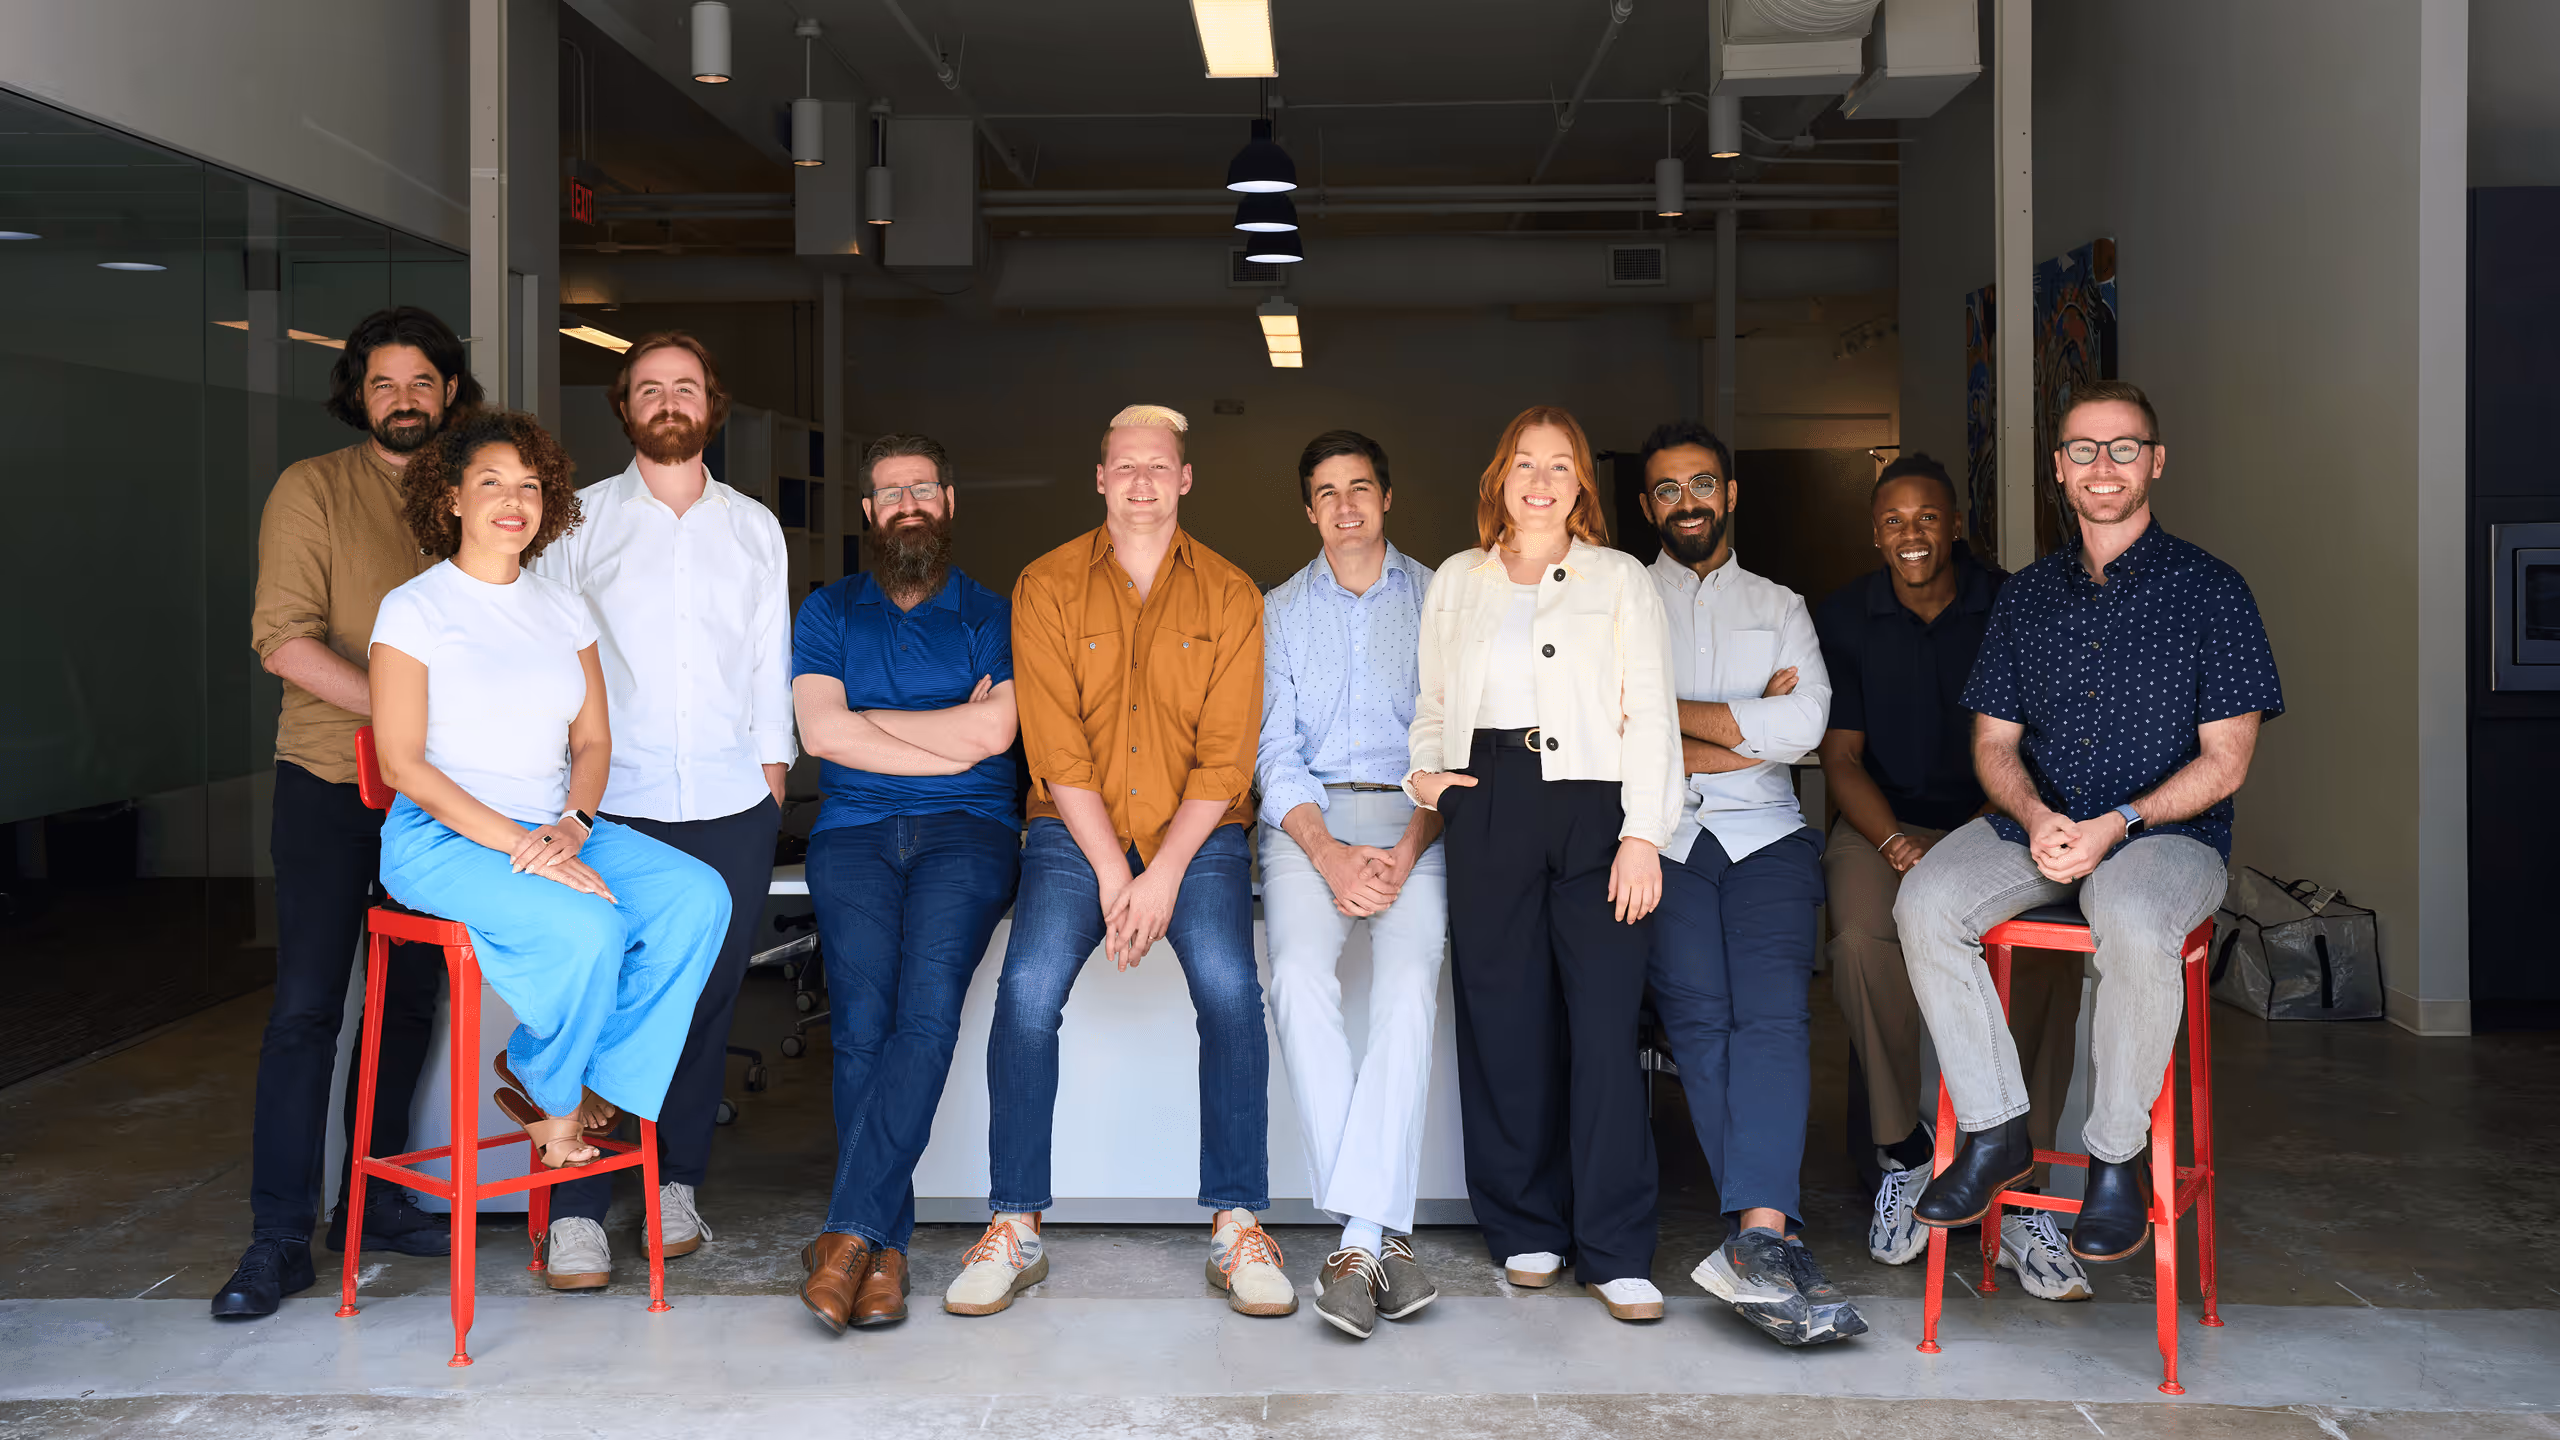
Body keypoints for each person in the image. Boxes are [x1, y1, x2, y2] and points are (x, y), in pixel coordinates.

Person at [1898, 380, 2282, 1263]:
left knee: (2134, 920)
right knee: (1925, 902)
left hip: (2167, 838)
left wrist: (2117, 822)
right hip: (2039, 828)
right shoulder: (2027, 595)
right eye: (2082, 450)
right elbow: (1993, 742)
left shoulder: (2213, 591)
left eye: (2121, 448)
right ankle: (1998, 1132)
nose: (2101, 466)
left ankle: (2115, 1155)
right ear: (2060, 473)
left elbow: (2227, 760)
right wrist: (2035, 814)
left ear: (2155, 461)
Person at [947, 404, 1286, 1319]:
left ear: (1185, 480)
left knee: (1227, 990)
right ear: (1099, 480)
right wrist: (1111, 872)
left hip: (1198, 832)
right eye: (1123, 467)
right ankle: (1014, 1224)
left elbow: (1226, 757)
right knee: (1025, 995)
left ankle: (1238, 1222)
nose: (1141, 482)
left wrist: (1163, 872)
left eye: (1158, 467)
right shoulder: (1047, 584)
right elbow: (1057, 751)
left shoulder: (1231, 593)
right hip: (1073, 829)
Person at [367, 408, 729, 1193]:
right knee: (590, 923)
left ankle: (587, 1077)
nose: (513, 500)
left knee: (698, 897)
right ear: (452, 497)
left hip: (553, 828)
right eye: (490, 482)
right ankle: (551, 1096)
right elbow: (401, 764)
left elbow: (593, 745)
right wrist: (518, 845)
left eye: (530, 486)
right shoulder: (414, 609)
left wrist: (572, 824)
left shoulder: (563, 608)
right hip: (441, 835)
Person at [217, 307, 481, 1321]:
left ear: (449, 392)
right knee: (307, 1010)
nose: (405, 397)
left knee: (411, 1001)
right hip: (332, 780)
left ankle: (368, 1206)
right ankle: (277, 1237)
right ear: (357, 395)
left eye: (422, 380)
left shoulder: (472, 493)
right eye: (384, 383)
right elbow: (282, 639)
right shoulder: (313, 489)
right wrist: (407, 714)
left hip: (438, 796)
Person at [1404, 406, 1681, 1323]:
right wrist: (1431, 780)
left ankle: (1614, 1248)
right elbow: (1432, 700)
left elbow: (1652, 712)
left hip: (1596, 806)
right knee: (1503, 1019)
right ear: (1500, 478)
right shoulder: (1457, 579)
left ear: (1580, 488)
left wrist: (1643, 832)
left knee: (1604, 1027)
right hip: (1488, 798)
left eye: (1559, 466)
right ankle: (1525, 1224)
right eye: (1524, 462)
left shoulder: (1620, 578)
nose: (1540, 479)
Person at [529, 333, 794, 1288]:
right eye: (651, 389)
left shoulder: (754, 526)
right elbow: (549, 664)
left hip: (730, 800)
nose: (669, 401)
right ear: (626, 406)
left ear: (711, 402)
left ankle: (675, 1184)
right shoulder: (578, 523)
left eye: (686, 385)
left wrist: (771, 779)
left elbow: (771, 658)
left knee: (705, 1003)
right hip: (612, 802)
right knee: (598, 994)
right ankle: (577, 1208)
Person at [1812, 453, 2091, 1303]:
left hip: (2000, 820)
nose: (1911, 535)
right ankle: (1903, 1153)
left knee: (2043, 956)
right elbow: (1840, 756)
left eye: (1927, 518)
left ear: (1956, 523)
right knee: (1861, 935)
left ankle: (2026, 1187)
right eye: (1894, 521)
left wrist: (1980, 830)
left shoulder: (2012, 602)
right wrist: (1898, 846)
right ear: (1874, 531)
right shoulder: (1846, 616)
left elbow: (2037, 741)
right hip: (1884, 823)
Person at [1632, 421, 1864, 1347]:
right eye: (1666, 489)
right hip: (1663, 840)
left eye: (1701, 484)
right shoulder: (1621, 597)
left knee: (1774, 1018)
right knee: (1698, 1020)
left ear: (1730, 493)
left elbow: (1804, 729)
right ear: (1647, 505)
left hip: (1768, 840)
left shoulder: (1781, 603)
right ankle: (1762, 1245)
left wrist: (1670, 727)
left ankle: (1757, 1234)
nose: (1686, 501)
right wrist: (1742, 724)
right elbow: (1612, 730)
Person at [790, 434, 1021, 1333]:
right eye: (890, 493)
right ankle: (881, 1250)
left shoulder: (994, 612)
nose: (908, 503)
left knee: (924, 1016)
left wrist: (869, 724)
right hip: (851, 837)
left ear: (950, 502)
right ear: (868, 514)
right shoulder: (829, 609)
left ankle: (848, 1236)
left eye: (924, 487)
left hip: (968, 836)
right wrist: (943, 728)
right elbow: (821, 735)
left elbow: (995, 738)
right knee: (859, 1026)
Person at [1256, 430, 1445, 1339]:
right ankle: (1379, 1238)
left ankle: (1353, 1246)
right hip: (1309, 823)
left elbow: (1454, 747)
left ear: (1387, 497)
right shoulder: (1279, 609)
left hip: (1418, 821)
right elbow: (1272, 753)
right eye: (1325, 493)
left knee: (1409, 990)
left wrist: (1408, 849)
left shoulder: (1444, 598)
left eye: (1359, 488)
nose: (1344, 507)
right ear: (1308, 510)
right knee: (1295, 978)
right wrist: (1330, 853)